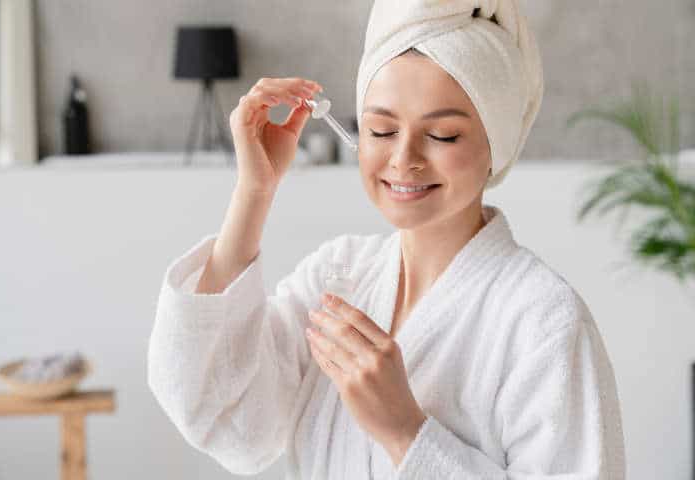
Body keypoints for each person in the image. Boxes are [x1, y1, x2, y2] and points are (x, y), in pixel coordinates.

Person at [147, 1, 626, 479]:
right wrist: (254, 191)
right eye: (381, 129)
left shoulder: (543, 320)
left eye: (442, 135)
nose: (403, 159)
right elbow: (225, 418)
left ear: (495, 146)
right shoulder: (339, 275)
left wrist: (405, 431)